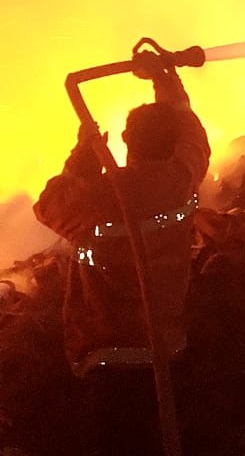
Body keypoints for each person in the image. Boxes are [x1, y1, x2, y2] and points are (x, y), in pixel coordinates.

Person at [34, 55, 210, 454]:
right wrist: (167, 82)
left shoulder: (100, 195)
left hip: (106, 357)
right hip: (165, 352)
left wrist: (83, 156)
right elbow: (192, 136)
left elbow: (49, 207)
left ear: (128, 142)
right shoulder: (181, 179)